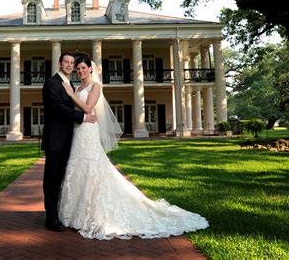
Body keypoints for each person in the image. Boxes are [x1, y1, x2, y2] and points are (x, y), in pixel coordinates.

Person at [58, 55, 209, 239]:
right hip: (78, 131)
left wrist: (71, 95)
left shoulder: (95, 86)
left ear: (91, 69)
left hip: (89, 132)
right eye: (78, 69)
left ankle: (92, 215)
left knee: (91, 168)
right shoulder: (79, 87)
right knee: (77, 168)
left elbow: (89, 108)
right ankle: (75, 214)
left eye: (83, 68)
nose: (80, 71)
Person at [41, 53, 96, 232]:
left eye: (72, 63)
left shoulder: (71, 85)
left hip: (70, 139)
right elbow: (57, 108)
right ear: (59, 63)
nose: (70, 65)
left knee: (64, 178)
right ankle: (51, 218)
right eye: (66, 62)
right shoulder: (52, 83)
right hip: (55, 140)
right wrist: (82, 117)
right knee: (52, 178)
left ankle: (60, 213)